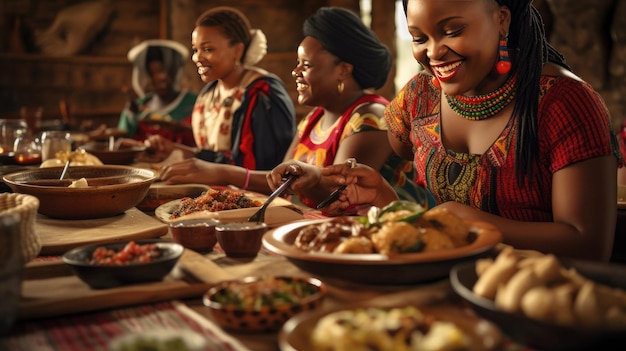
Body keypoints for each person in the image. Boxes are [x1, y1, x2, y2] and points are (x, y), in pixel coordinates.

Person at [269, 0, 625, 262]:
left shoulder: (565, 103)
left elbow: (589, 244)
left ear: (501, 19)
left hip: (537, 302)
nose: (434, 52)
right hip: (440, 286)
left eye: (453, 31)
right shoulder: (418, 99)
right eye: (419, 37)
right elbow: (435, 225)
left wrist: (472, 222)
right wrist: (384, 198)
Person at [157, 7, 421, 209]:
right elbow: (280, 180)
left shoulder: (369, 119)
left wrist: (224, 171)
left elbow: (340, 197)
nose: (295, 72)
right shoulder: (314, 119)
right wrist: (220, 171)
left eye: (305, 65)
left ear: (343, 70)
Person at [140, 6, 296, 170]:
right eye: (195, 49)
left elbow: (265, 171)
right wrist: (173, 150)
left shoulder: (263, 94)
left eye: (208, 49)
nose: (197, 58)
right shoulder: (209, 94)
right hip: (216, 190)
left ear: (237, 50)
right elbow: (210, 158)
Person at [117, 39, 198, 147]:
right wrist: (131, 118)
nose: (160, 78)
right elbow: (121, 141)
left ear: (174, 73)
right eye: (154, 73)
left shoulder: (195, 102)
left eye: (165, 72)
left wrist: (183, 128)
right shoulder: (137, 107)